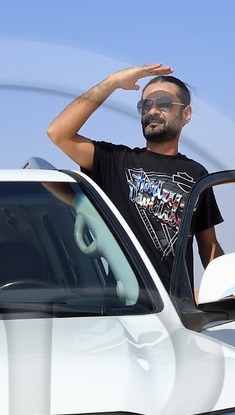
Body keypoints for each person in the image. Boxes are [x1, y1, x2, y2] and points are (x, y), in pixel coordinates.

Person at [47, 63, 223, 299]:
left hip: (178, 313)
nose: (152, 111)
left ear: (186, 114)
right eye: (145, 105)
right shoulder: (116, 162)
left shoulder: (197, 175)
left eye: (163, 104)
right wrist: (112, 83)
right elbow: (58, 133)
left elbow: (209, 247)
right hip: (125, 311)